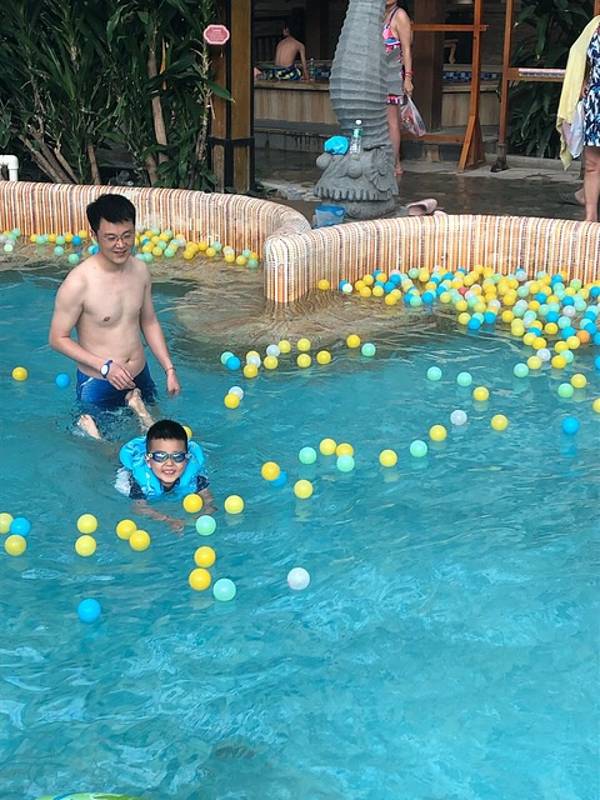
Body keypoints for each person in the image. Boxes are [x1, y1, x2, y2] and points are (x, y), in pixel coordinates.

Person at [48, 194, 180, 438]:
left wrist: (168, 368)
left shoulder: (140, 271)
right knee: (102, 452)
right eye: (111, 238)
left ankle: (137, 405)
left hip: (139, 375)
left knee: (160, 442)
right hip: (99, 381)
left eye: (127, 236)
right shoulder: (78, 283)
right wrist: (105, 367)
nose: (121, 244)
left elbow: (149, 321)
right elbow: (57, 338)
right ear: (94, 235)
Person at [557, 14, 600, 221]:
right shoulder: (596, 24)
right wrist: (582, 79)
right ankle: (590, 218)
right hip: (596, 102)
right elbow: (578, 53)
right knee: (592, 163)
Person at [383, 0, 414, 178]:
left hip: (392, 75)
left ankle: (394, 163)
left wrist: (408, 77)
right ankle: (391, 162)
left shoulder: (399, 15)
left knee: (391, 121)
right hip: (376, 75)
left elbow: (406, 49)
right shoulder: (378, 15)